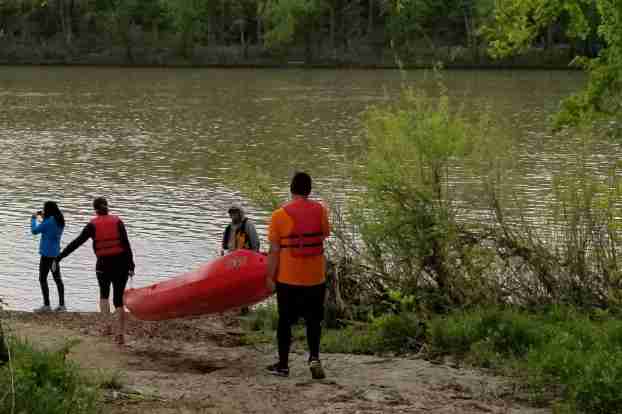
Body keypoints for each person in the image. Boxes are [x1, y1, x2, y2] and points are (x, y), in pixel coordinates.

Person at [265, 172, 330, 379]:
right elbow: (324, 234)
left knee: (284, 321)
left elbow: (274, 251)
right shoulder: (320, 211)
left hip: (288, 278)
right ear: (309, 190)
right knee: (313, 321)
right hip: (315, 278)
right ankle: (314, 358)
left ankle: (283, 365)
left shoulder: (278, 215)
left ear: (291, 189)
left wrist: (269, 277)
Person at [55, 197, 135, 345]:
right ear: (107, 208)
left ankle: (106, 328)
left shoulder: (92, 225)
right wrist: (131, 265)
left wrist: (59, 257)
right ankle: (120, 335)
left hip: (103, 266)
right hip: (121, 265)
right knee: (118, 300)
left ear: (95, 209)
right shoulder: (117, 222)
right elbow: (126, 244)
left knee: (104, 295)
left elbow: (76, 243)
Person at [31, 201, 65, 312]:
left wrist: (33, 219)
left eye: (44, 209)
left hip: (46, 255)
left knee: (42, 279)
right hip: (56, 255)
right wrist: (42, 217)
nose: (43, 211)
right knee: (58, 279)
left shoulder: (48, 221)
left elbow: (35, 231)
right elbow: (48, 227)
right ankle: (62, 305)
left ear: (48, 210)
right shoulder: (59, 220)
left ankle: (46, 305)